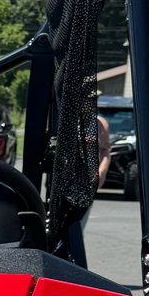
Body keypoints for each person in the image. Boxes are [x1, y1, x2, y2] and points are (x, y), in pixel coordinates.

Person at [63, 89, 113, 269]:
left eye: (95, 99)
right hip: (68, 182)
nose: (93, 103)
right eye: (89, 99)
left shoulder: (100, 124)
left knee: (78, 224)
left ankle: (73, 265)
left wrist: (103, 169)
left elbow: (106, 150)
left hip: (88, 183)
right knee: (62, 224)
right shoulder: (67, 122)